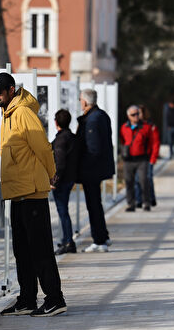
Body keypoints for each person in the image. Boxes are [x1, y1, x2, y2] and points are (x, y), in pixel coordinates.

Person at [0, 72, 67, 317]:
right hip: (17, 192)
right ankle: (27, 299)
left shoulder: (22, 113)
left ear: (12, 90)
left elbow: (42, 146)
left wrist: (52, 173)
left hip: (32, 192)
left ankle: (55, 298)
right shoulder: (7, 114)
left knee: (40, 249)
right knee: (22, 250)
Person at [76, 88, 115, 252]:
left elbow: (93, 148)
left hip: (91, 170)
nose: (80, 103)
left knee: (93, 204)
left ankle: (99, 240)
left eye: (80, 100)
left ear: (85, 101)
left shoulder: (92, 119)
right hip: (97, 169)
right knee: (95, 203)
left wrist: (83, 167)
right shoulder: (102, 115)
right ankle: (103, 236)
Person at [51, 109, 79, 255]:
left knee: (63, 212)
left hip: (62, 181)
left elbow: (60, 164)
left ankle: (68, 242)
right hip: (69, 179)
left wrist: (54, 181)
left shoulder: (61, 140)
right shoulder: (71, 137)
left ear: (56, 122)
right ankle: (68, 239)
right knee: (64, 211)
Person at [119, 105, 152, 212]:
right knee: (129, 182)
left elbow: (151, 141)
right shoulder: (124, 127)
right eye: (133, 115)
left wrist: (149, 155)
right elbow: (122, 140)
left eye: (138, 114)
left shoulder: (145, 127)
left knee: (143, 181)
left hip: (142, 159)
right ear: (129, 116)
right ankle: (131, 204)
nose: (136, 116)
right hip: (128, 159)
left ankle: (146, 203)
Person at [135, 105, 160, 210]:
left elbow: (155, 143)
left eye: (139, 113)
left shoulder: (151, 126)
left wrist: (153, 157)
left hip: (148, 157)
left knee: (148, 178)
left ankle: (150, 199)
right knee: (137, 179)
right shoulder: (133, 126)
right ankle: (138, 200)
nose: (137, 115)